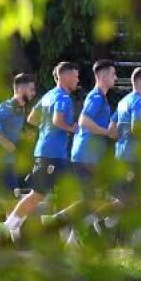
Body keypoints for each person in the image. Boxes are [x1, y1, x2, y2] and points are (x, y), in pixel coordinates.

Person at [0, 62, 80, 243]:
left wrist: (46, 127)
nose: (77, 79)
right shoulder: (63, 98)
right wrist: (71, 128)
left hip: (52, 153)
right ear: (64, 77)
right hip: (52, 154)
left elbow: (32, 118)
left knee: (68, 193)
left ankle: (67, 236)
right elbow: (58, 121)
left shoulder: (49, 95)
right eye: (75, 76)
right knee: (38, 194)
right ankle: (8, 227)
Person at [53, 60, 118, 245]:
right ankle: (62, 219)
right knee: (92, 198)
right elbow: (83, 121)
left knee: (93, 198)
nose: (115, 78)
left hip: (89, 155)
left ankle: (72, 238)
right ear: (103, 76)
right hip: (85, 155)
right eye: (113, 74)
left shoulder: (101, 98)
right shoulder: (96, 97)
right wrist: (106, 132)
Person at [109, 66, 141, 226]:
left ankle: (107, 222)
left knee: (132, 198)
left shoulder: (123, 101)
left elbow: (111, 130)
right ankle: (95, 220)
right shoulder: (139, 102)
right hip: (132, 157)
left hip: (121, 155)